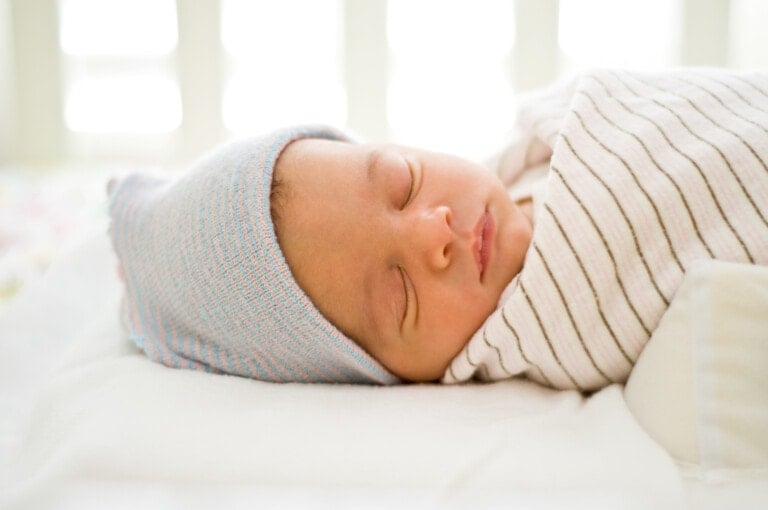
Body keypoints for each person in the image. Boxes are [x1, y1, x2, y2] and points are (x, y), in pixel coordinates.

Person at [109, 68, 768, 390]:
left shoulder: (536, 143)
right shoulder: (545, 326)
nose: (436, 234)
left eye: (404, 181)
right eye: (398, 295)